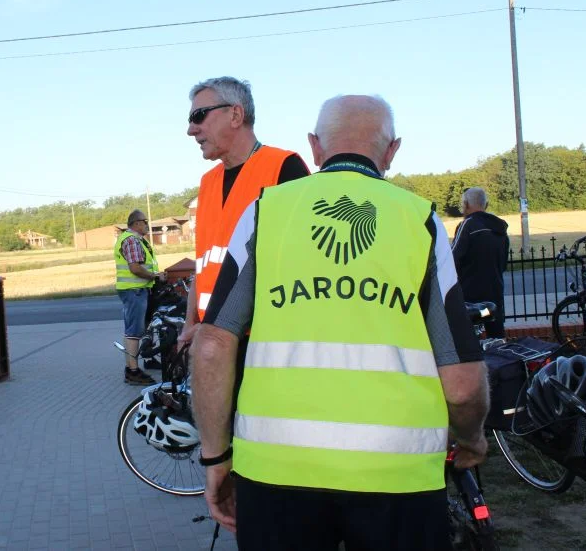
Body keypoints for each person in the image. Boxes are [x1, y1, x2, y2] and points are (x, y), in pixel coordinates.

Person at [191, 95, 489, 549]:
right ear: (392, 151)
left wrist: (216, 457)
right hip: (397, 473)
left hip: (275, 471)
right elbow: (463, 383)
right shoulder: (418, 219)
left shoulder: (265, 211)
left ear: (314, 147)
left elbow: (211, 345)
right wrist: (471, 438)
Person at [179, 76, 309, 348]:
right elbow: (203, 264)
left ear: (235, 114)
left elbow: (302, 265)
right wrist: (190, 324)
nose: (191, 129)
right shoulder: (208, 183)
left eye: (199, 116)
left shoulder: (284, 168)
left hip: (262, 340)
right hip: (210, 337)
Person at [115, 209, 167, 384]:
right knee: (134, 331)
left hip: (139, 289)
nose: (147, 226)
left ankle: (148, 359)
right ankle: (132, 371)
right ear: (136, 223)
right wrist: (155, 276)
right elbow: (135, 268)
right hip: (134, 290)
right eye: (145, 222)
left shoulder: (137, 240)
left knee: (143, 327)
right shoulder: (131, 240)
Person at [452, 187, 510, 338]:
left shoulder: (468, 225)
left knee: (468, 340)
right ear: (486, 204)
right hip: (493, 296)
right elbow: (503, 262)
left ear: (466, 204)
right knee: (496, 338)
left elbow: (453, 258)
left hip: (471, 299)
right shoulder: (500, 228)